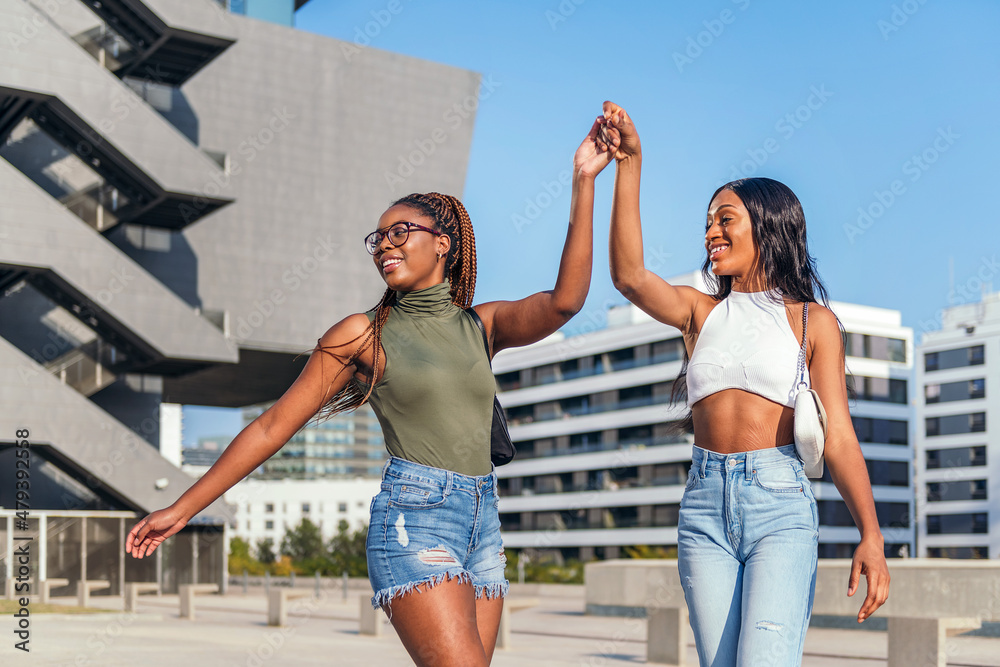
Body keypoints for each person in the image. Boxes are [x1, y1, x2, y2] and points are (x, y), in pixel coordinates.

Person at [125, 115, 619, 666]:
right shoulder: (362, 334)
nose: (384, 244)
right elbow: (270, 427)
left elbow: (566, 301)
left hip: (484, 521)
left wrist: (584, 179)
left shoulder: (482, 325)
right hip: (416, 517)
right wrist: (185, 508)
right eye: (378, 236)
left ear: (444, 245)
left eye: (400, 232)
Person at [601, 101, 889, 666]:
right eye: (708, 220)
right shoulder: (699, 313)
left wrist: (871, 537)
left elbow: (840, 439)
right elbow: (629, 276)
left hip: (779, 504)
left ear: (769, 223)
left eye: (725, 218)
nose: (711, 231)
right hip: (704, 504)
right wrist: (629, 163)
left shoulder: (813, 321)